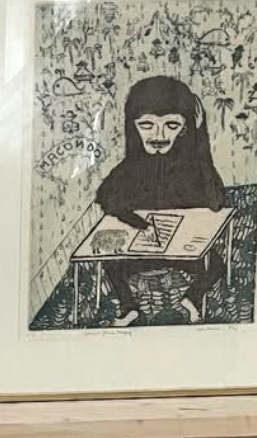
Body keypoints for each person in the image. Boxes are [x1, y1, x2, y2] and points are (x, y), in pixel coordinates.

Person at [95, 75, 227, 326]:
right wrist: (138, 224)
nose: (158, 135)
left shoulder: (191, 165)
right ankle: (129, 308)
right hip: (142, 248)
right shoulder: (131, 167)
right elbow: (106, 198)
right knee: (112, 264)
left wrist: (201, 139)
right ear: (132, 126)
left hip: (182, 250)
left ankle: (192, 299)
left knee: (216, 264)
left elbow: (216, 201)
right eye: (146, 125)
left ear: (186, 127)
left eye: (171, 125)